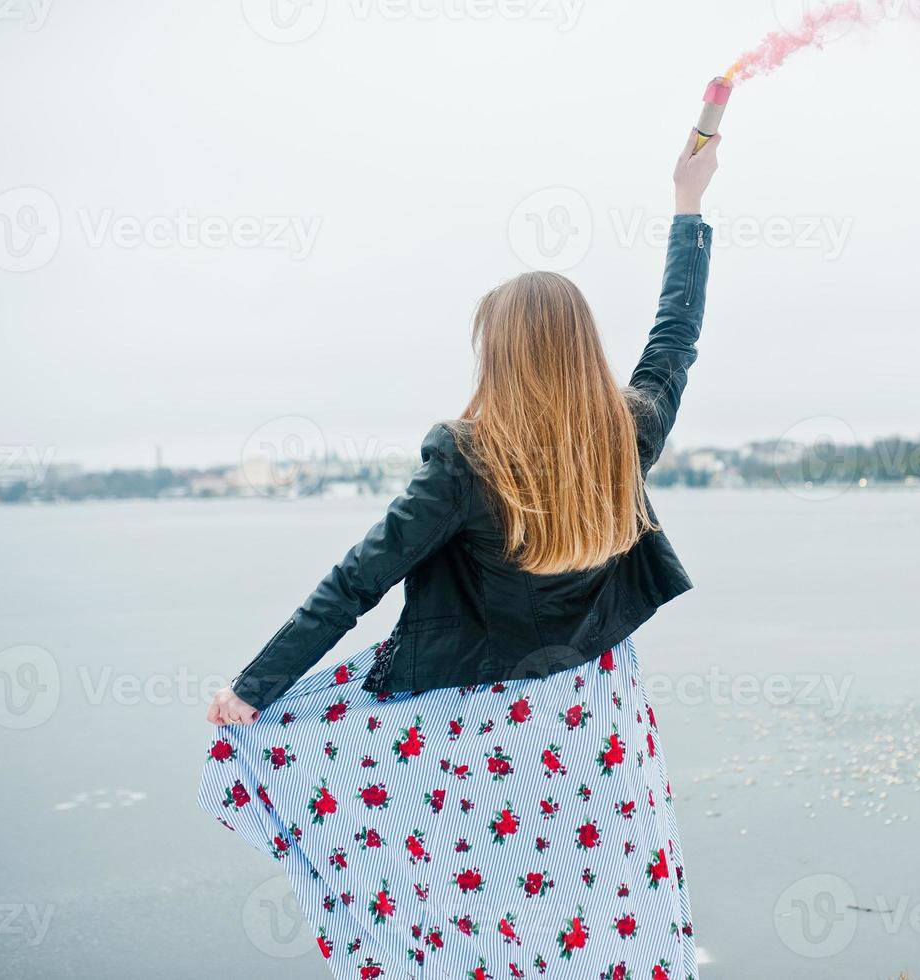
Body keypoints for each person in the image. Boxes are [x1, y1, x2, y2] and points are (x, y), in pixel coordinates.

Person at [198, 127, 719, 980]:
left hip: (481, 723)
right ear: (582, 352)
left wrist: (252, 690)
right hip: (591, 711)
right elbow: (675, 336)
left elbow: (356, 581)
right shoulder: (623, 433)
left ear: (500, 356)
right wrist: (688, 208)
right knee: (593, 891)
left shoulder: (466, 459)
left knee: (467, 894)